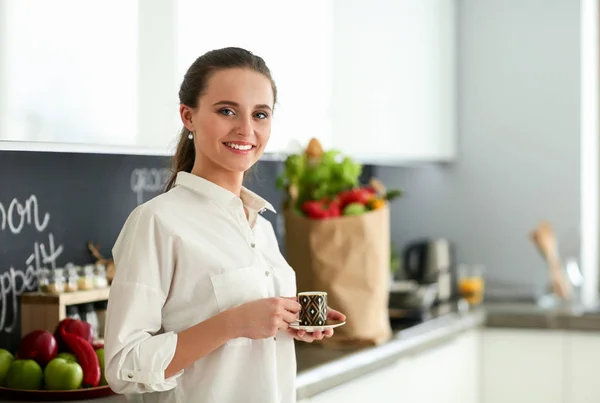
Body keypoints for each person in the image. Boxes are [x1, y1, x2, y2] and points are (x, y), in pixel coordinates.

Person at [103, 47, 346, 403]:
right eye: (227, 110)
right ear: (188, 116)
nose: (246, 129)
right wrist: (234, 323)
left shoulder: (259, 227)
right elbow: (124, 366)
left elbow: (245, 341)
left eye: (260, 114)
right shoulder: (156, 222)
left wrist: (288, 321)